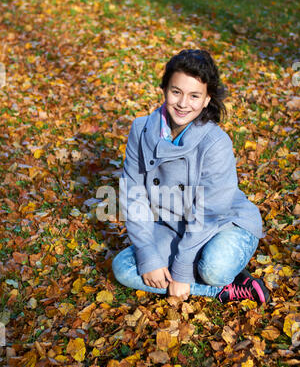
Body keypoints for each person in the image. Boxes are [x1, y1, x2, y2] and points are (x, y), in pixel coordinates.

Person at [112, 49, 270, 304]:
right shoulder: (140, 130)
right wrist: (148, 256)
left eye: (194, 96)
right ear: (164, 89)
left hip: (224, 223)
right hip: (174, 226)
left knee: (214, 269)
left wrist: (182, 269)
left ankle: (216, 269)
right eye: (176, 92)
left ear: (207, 99)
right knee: (125, 266)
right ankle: (226, 290)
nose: (183, 104)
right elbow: (133, 195)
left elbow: (209, 212)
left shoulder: (215, 142)